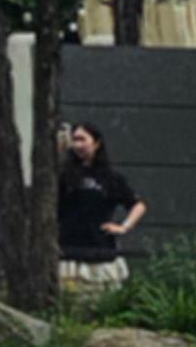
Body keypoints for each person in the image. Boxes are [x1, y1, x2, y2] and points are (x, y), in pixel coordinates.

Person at [55, 120, 145, 296]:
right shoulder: (63, 176)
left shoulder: (112, 178)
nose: (78, 145)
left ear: (96, 143)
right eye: (75, 140)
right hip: (68, 251)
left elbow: (137, 205)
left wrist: (124, 227)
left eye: (82, 139)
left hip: (100, 250)